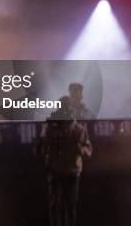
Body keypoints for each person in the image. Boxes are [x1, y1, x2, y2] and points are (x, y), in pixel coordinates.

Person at [37, 96, 93, 226]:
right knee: (55, 205)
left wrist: (78, 148)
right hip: (55, 170)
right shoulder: (49, 127)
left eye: (67, 107)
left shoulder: (78, 129)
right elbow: (40, 148)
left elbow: (88, 150)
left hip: (71, 172)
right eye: (62, 107)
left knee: (70, 205)